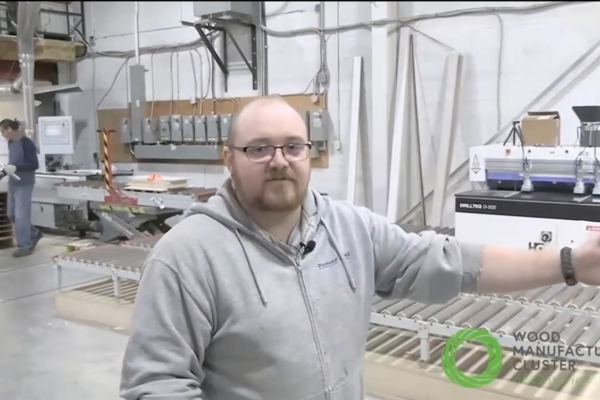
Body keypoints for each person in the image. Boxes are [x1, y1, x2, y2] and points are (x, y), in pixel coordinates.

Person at [120, 96, 600, 400]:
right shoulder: (186, 257)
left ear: (311, 153)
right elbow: (156, 386)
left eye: (293, 146)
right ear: (229, 158)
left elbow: (447, 262)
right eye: (259, 148)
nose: (278, 161)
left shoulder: (349, 229)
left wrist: (569, 262)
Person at [0, 118, 42, 257]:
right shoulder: (11, 143)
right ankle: (34, 233)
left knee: (21, 216)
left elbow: (34, 164)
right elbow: (12, 163)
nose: (2, 135)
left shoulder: (27, 144)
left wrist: (17, 167)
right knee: (11, 214)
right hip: (13, 183)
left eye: (3, 131)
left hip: (25, 183)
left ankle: (25, 245)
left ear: (10, 130)